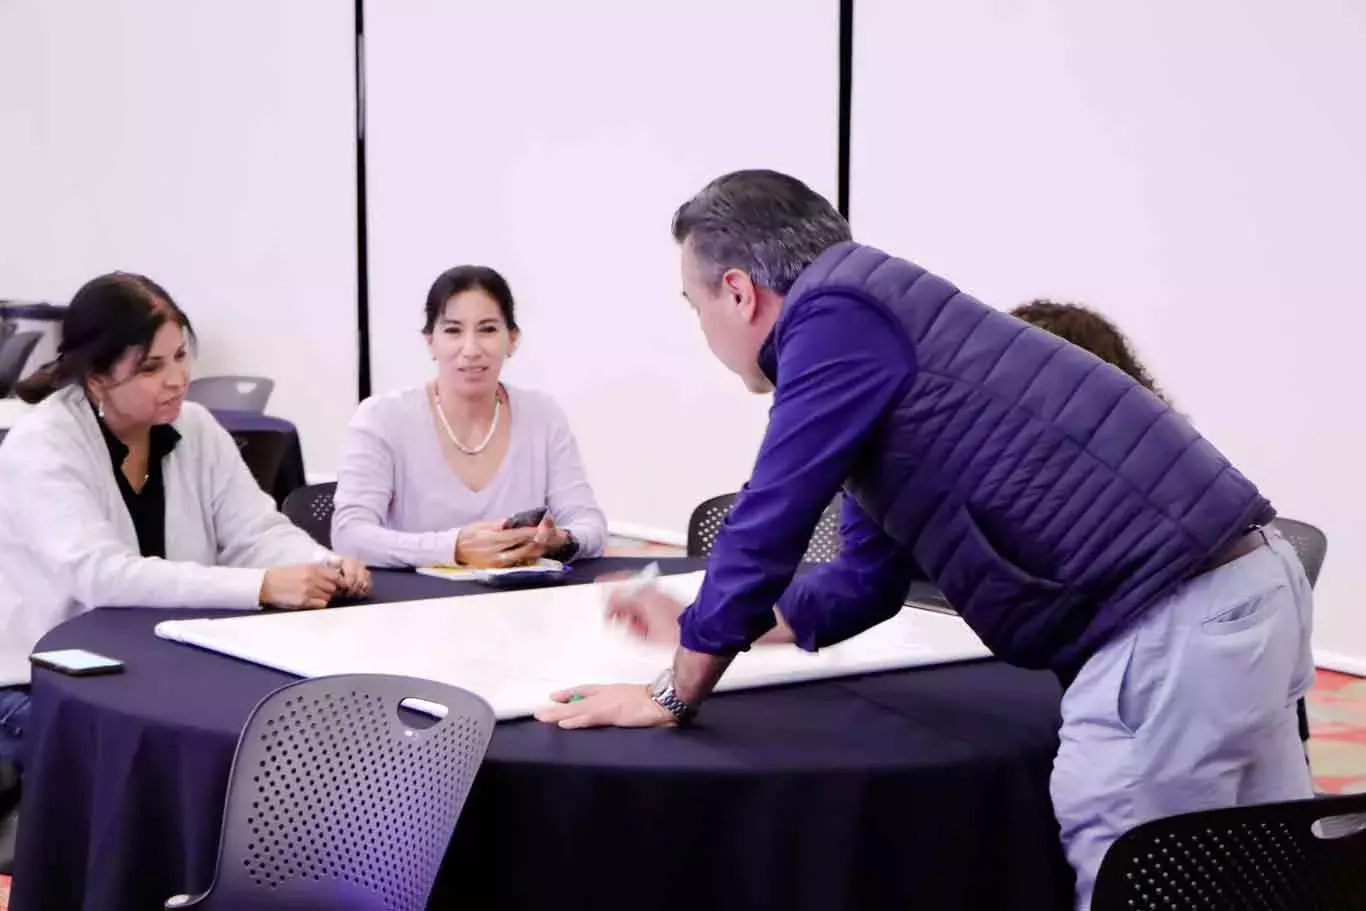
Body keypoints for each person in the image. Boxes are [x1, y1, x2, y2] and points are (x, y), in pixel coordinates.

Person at [534, 170, 1315, 909]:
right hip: (1252, 588)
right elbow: (862, 581)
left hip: (1165, 630)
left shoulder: (834, 319)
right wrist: (703, 618)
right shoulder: (884, 325)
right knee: (1261, 882)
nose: (700, 328)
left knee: (1138, 875)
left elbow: (772, 512)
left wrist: (675, 687)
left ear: (736, 291)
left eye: (692, 304)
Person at [0, 272, 370, 768]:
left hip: (161, 666)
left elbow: (255, 532)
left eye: (180, 356)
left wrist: (322, 564)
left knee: (286, 737)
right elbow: (101, 576)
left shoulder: (192, 426)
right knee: (178, 758)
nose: (177, 378)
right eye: (152, 367)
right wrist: (261, 587)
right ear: (96, 378)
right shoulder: (42, 445)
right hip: (39, 681)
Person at [1012, 298, 1316, 756]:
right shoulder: (1154, 441)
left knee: (1125, 800)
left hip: (1177, 653)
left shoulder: (1082, 468)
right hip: (1255, 625)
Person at [331, 265, 607, 569]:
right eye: (453, 331)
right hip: (412, 608)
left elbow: (589, 524)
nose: (471, 349)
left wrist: (562, 541)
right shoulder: (382, 418)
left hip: (521, 607)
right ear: (430, 342)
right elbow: (349, 536)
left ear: (512, 339)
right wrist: (454, 549)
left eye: (488, 329)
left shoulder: (543, 416)